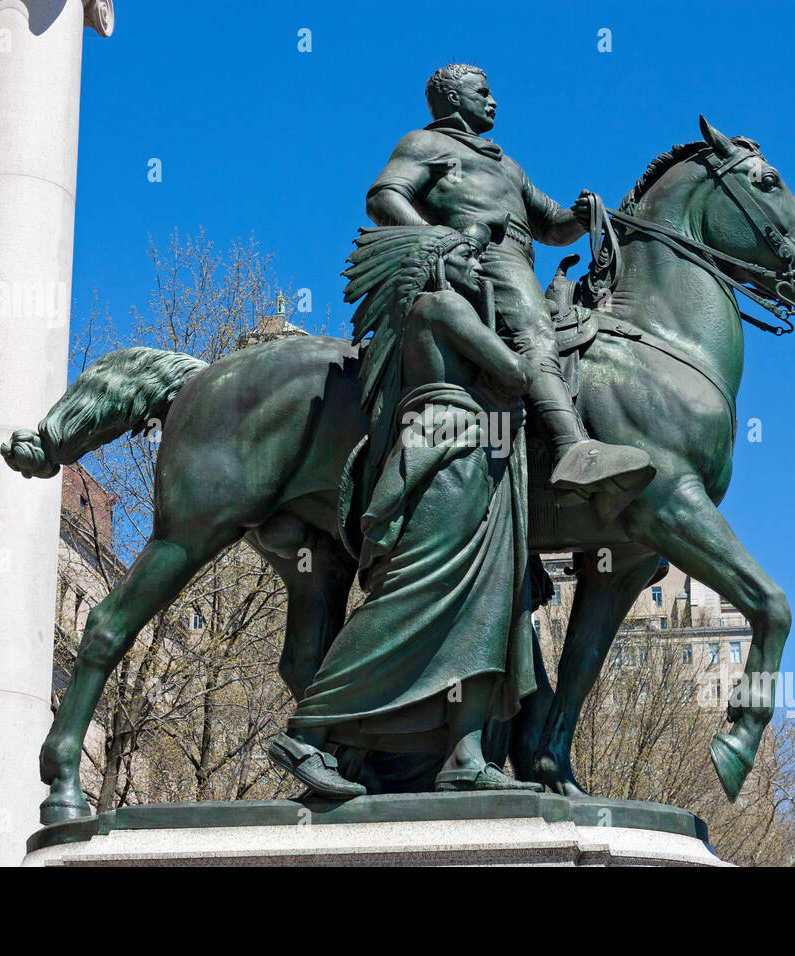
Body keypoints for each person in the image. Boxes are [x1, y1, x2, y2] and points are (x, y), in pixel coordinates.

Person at [266, 223, 543, 797]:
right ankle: (309, 732)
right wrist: (532, 340)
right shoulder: (440, 306)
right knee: (411, 596)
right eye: (467, 257)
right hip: (449, 450)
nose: (479, 268)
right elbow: (516, 374)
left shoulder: (445, 306)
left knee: (484, 602)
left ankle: (465, 753)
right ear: (438, 265)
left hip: (476, 453)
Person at [365, 63, 654, 512]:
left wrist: (579, 216)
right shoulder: (425, 143)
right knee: (534, 330)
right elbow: (384, 197)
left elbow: (551, 226)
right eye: (482, 91)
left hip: (519, 259)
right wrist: (442, 244)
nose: (493, 99)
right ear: (455, 99)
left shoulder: (506, 165)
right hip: (483, 255)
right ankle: (570, 447)